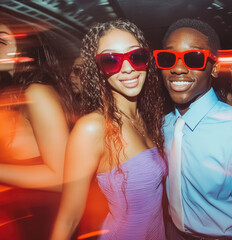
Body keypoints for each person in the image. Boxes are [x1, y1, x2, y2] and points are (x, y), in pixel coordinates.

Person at [154, 18, 232, 239]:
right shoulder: (164, 125)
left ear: (215, 68)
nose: (178, 68)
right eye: (168, 58)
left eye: (194, 58)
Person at [51, 18, 167, 240]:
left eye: (136, 56)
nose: (128, 68)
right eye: (111, 60)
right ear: (98, 70)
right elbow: (68, 219)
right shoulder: (93, 128)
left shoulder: (147, 117)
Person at [0, 16, 75, 239]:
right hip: (22, 220)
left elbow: (63, 179)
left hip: (46, 223)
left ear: (26, 47)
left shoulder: (38, 92)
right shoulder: (14, 95)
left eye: (2, 40)